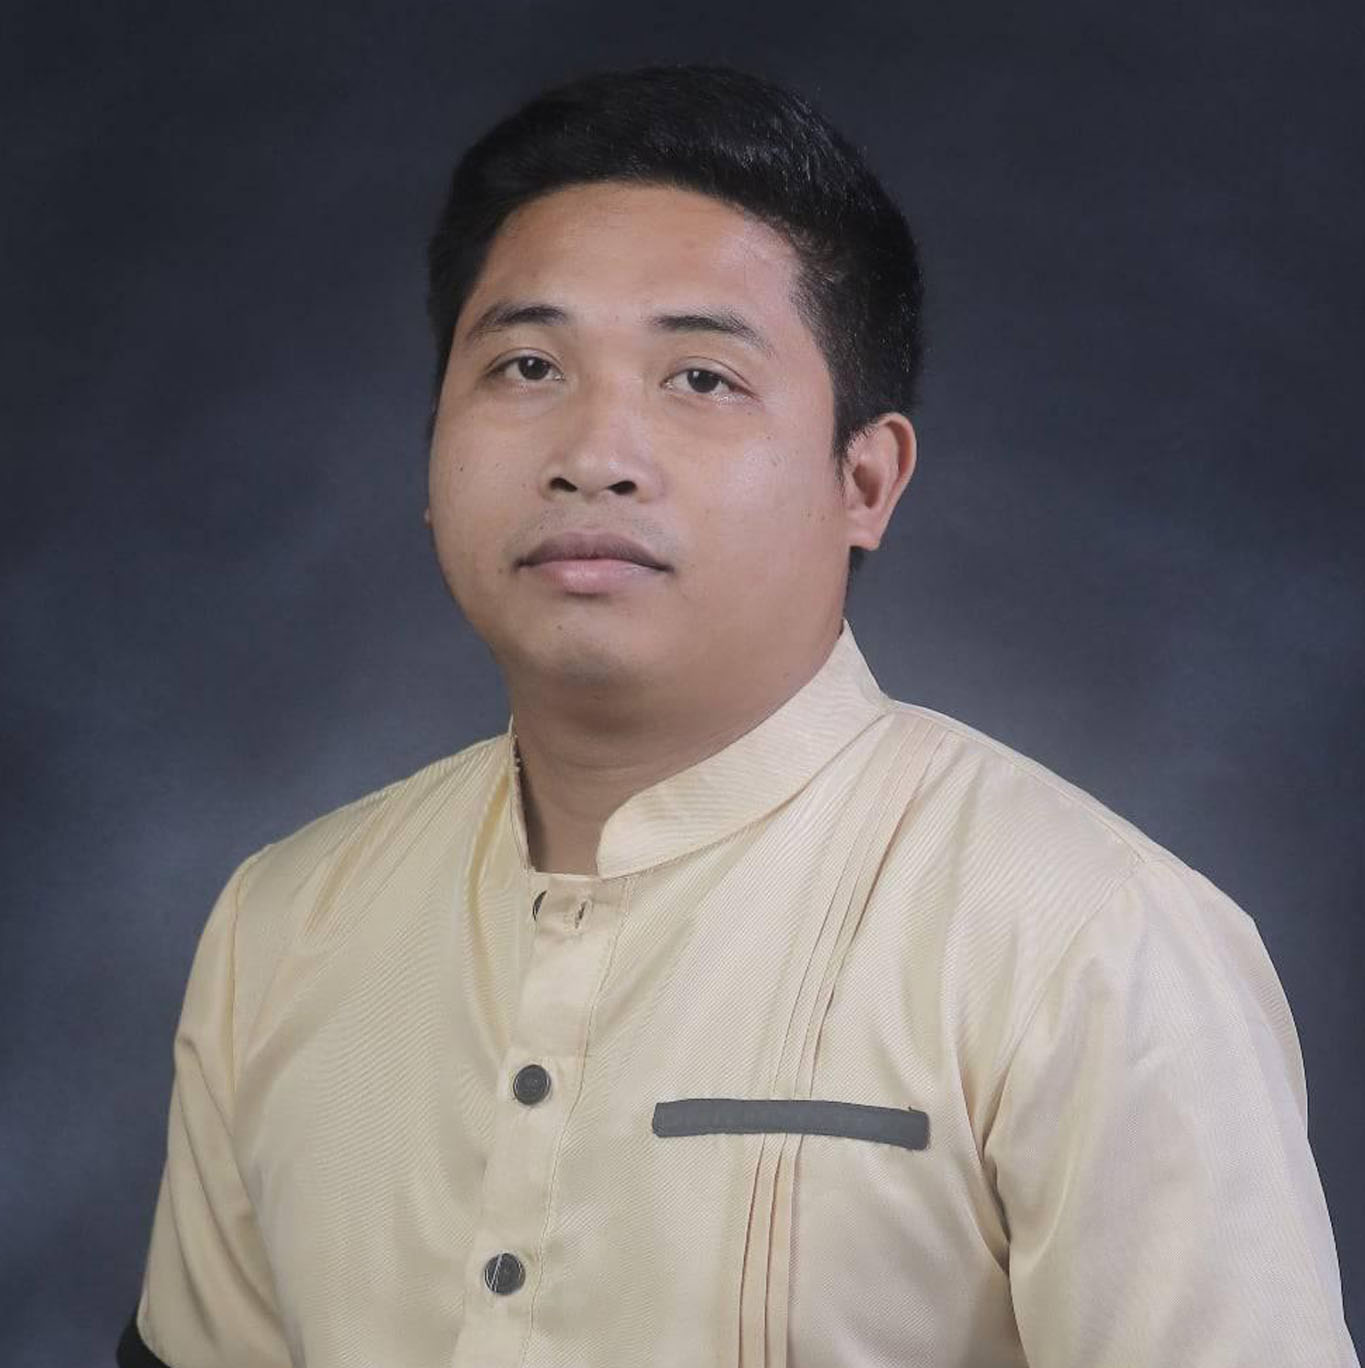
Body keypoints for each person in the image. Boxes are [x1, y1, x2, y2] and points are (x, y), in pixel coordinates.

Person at [117, 64, 1359, 1368]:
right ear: (432, 451)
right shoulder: (284, 926)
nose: (593, 455)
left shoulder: (1092, 943)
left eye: (700, 378)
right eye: (527, 365)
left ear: (864, 480)